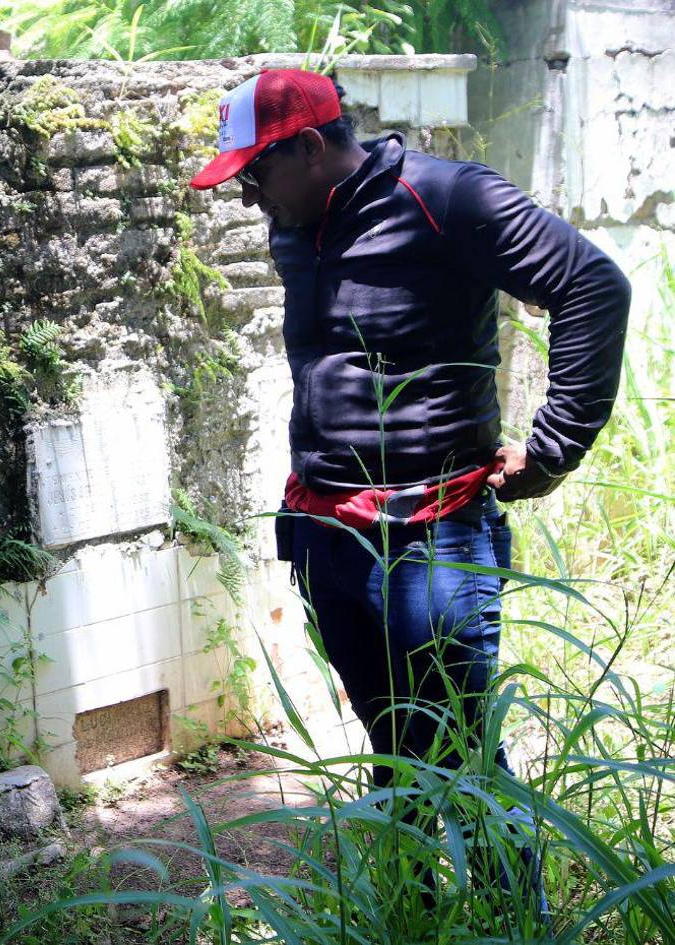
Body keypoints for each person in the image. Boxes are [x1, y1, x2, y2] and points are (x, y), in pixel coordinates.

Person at [187, 69, 630, 918]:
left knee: (460, 753)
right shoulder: (299, 223)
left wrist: (554, 448)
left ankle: (515, 921)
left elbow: (593, 286)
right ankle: (414, 912)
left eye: (253, 174)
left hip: (432, 538)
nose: (245, 198)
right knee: (395, 748)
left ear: (310, 148)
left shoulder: (446, 197)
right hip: (326, 532)